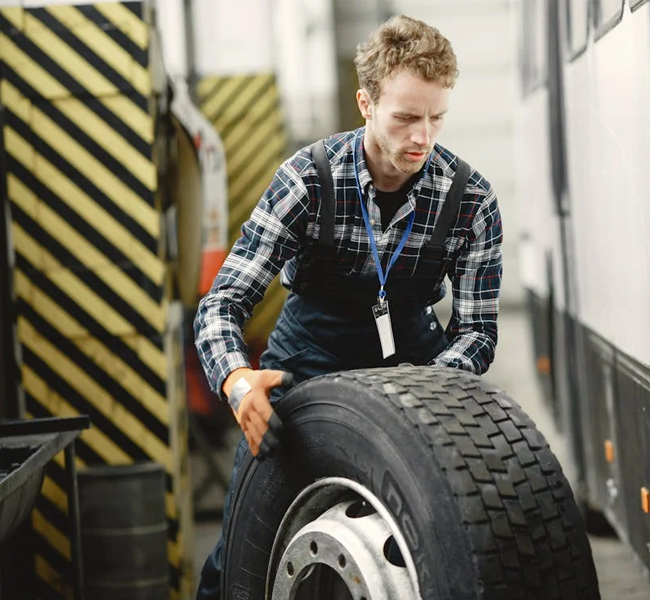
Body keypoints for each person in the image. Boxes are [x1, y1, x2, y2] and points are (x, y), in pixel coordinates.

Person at [193, 14, 503, 598]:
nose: (423, 138)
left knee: (455, 546)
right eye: (406, 117)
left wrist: (426, 388)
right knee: (236, 559)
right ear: (365, 103)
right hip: (305, 366)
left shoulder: (472, 201)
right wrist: (238, 381)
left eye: (437, 117)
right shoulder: (307, 181)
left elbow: (478, 333)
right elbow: (222, 302)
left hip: (419, 372)